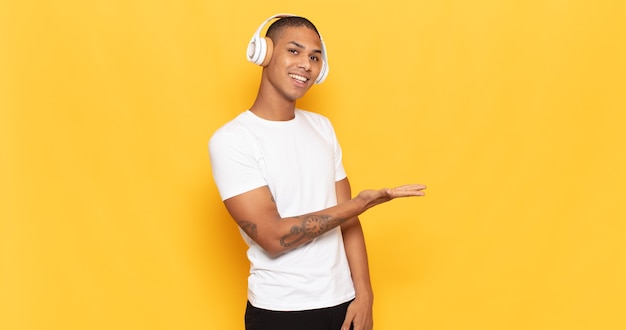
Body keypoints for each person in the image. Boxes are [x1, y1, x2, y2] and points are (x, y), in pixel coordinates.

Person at [208, 14, 426, 330]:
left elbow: (348, 221)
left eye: (315, 56)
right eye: (294, 51)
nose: (306, 65)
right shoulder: (232, 140)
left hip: (343, 303)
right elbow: (271, 237)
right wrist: (358, 204)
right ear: (263, 52)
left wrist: (364, 295)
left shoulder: (322, 128)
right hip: (281, 311)